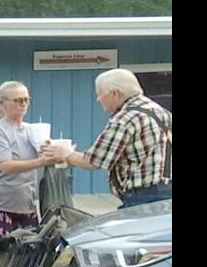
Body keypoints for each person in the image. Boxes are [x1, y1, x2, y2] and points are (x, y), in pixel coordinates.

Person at [45, 68, 172, 208]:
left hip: (145, 197)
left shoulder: (125, 118)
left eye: (100, 94)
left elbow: (94, 161)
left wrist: (66, 154)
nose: (98, 100)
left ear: (115, 93)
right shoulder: (162, 112)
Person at [0, 81, 50, 267]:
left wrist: (55, 152)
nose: (23, 104)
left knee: (27, 262)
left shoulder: (32, 130)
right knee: (5, 264)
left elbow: (44, 155)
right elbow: (6, 166)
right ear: (2, 104)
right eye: (17, 100)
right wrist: (41, 161)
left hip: (26, 206)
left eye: (26, 99)